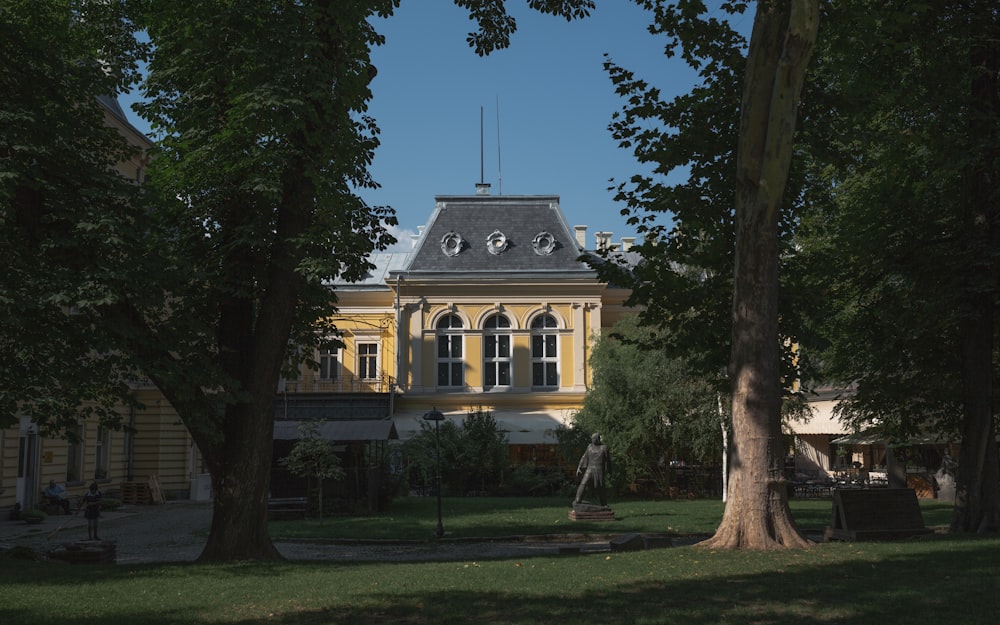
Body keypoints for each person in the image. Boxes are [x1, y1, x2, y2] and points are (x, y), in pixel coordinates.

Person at [574, 433, 612, 507]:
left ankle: (604, 504)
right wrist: (579, 467)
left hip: (599, 470)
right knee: (583, 483)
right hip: (590, 469)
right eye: (592, 438)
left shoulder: (604, 448)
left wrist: (610, 471)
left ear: (598, 439)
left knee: (600, 487)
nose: (592, 440)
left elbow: (608, 461)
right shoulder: (589, 447)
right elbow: (584, 457)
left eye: (594, 438)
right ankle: (578, 500)